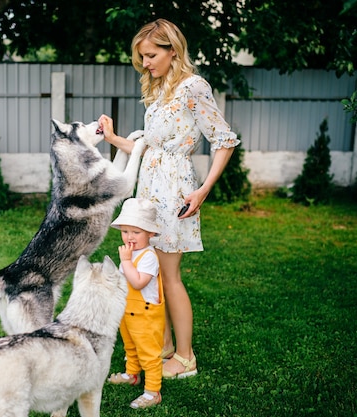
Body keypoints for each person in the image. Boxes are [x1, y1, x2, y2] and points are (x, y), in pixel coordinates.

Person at [98, 18, 240, 379]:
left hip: (176, 189)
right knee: (153, 273)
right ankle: (160, 348)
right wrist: (114, 139)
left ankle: (185, 357)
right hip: (149, 187)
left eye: (150, 55)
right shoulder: (160, 90)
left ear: (171, 50)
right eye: (142, 57)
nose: (144, 63)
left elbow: (224, 141)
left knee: (170, 276)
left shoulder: (194, 87)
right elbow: (149, 148)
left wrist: (203, 189)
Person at [108, 197, 165, 409]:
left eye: (136, 232)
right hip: (127, 311)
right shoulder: (131, 252)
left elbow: (139, 282)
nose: (129, 237)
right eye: (125, 231)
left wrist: (125, 261)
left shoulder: (148, 256)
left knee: (149, 352)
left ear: (150, 233)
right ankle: (132, 374)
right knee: (130, 346)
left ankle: (153, 392)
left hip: (145, 315)